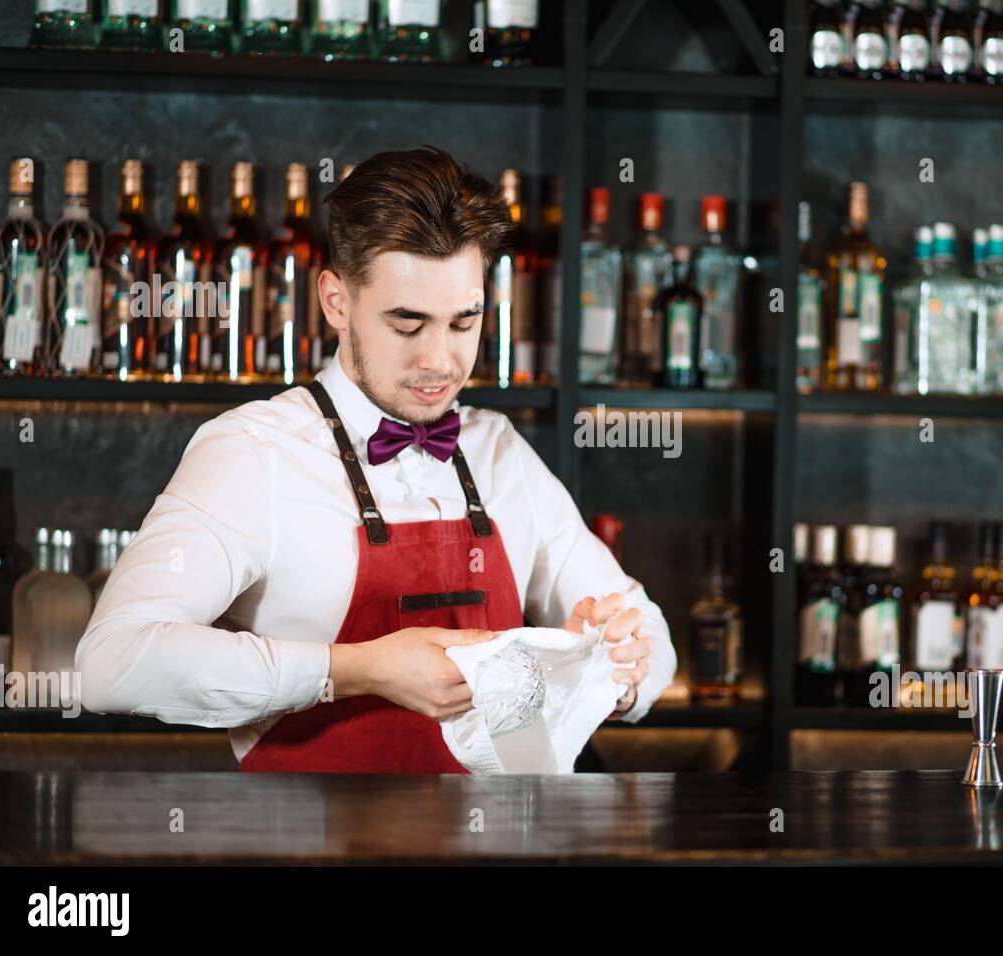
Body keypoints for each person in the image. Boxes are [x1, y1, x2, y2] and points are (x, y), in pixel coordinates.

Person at [77, 147, 676, 772]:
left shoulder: (498, 452)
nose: (440, 361)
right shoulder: (256, 453)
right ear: (337, 301)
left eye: (463, 322)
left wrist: (613, 668)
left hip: (500, 849)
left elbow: (652, 642)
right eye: (407, 324)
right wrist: (357, 669)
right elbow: (114, 663)